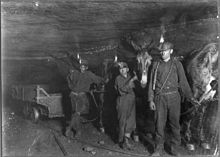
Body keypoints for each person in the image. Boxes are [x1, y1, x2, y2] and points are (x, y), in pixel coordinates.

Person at [148, 42, 197, 156]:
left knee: (175, 124)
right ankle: (158, 149)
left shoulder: (177, 64)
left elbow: (183, 82)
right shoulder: (155, 65)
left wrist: (190, 97)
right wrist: (150, 99)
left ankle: (175, 148)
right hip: (159, 98)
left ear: (171, 51)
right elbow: (151, 83)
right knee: (159, 124)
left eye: (164, 51)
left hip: (174, 97)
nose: (162, 53)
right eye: (161, 51)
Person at [65, 59, 104, 137]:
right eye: (81, 66)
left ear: (86, 67)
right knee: (77, 113)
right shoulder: (87, 74)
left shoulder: (76, 73)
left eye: (84, 66)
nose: (82, 68)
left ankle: (75, 130)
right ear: (80, 67)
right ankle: (70, 129)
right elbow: (99, 80)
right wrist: (104, 80)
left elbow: (69, 81)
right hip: (78, 96)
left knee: (76, 113)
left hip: (75, 95)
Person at [114, 62, 138, 149]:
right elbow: (122, 90)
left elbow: (135, 88)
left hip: (131, 101)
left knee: (131, 121)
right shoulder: (118, 78)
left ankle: (126, 140)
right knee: (122, 121)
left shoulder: (130, 76)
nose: (122, 70)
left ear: (127, 69)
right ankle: (121, 141)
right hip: (122, 101)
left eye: (123, 68)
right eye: (120, 69)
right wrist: (131, 80)